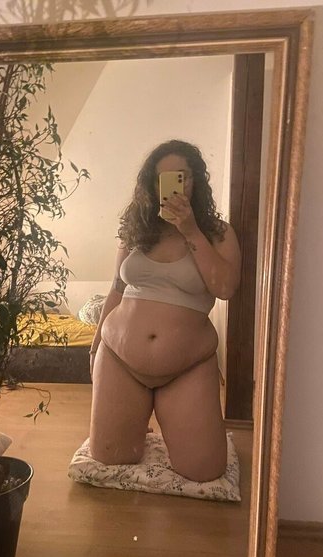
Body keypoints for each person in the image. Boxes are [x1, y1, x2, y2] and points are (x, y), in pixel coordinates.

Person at [88, 139, 241, 482]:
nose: (174, 187)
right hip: (118, 358)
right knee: (111, 458)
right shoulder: (137, 230)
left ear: (195, 180)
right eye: (163, 179)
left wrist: (191, 230)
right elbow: (117, 289)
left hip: (188, 366)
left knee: (204, 471)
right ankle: (136, 419)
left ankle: (164, 416)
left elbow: (225, 288)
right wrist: (95, 346)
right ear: (151, 185)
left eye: (182, 177)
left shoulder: (217, 233)